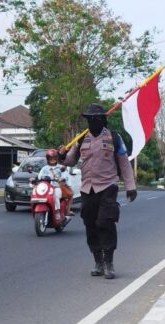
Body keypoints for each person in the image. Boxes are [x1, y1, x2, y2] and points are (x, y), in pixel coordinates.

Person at [58, 103, 137, 279]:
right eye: (89, 119)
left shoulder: (114, 138)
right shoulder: (81, 139)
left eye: (96, 119)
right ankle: (98, 261)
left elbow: (124, 162)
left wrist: (130, 186)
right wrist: (62, 155)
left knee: (105, 222)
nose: (92, 122)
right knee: (91, 224)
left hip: (107, 186)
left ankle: (109, 262)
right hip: (88, 188)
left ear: (102, 120)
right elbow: (70, 161)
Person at [38, 149, 66, 222]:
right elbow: (39, 176)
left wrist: (61, 178)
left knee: (55, 196)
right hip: (46, 188)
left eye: (54, 158)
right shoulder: (44, 168)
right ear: (48, 159)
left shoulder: (60, 167)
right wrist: (36, 179)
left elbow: (65, 175)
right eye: (50, 158)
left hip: (56, 187)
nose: (52, 160)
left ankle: (57, 211)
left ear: (56, 159)